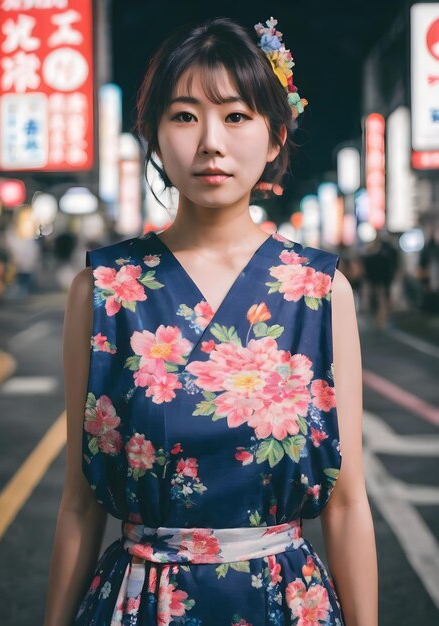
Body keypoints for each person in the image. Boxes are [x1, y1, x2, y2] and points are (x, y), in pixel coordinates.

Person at [43, 17, 377, 626]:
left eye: (237, 116)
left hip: (283, 602)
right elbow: (78, 504)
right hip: (142, 604)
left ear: (275, 137)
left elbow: (348, 504)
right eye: (184, 115)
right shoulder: (103, 291)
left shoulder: (320, 290)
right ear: (152, 134)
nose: (211, 143)